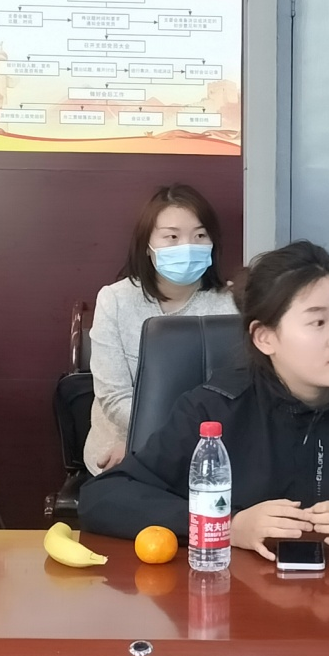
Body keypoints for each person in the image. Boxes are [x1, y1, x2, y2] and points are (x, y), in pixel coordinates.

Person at [78, 240, 329, 555]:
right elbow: (105, 497)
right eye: (318, 322)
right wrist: (228, 525)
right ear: (265, 337)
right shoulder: (215, 407)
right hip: (238, 609)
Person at [84, 184, 237, 475]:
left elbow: (234, 398)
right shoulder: (114, 300)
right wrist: (139, 441)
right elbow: (114, 396)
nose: (187, 246)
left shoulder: (231, 305)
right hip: (122, 451)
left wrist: (164, 440)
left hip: (208, 453)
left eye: (200, 235)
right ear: (147, 245)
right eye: (172, 236)